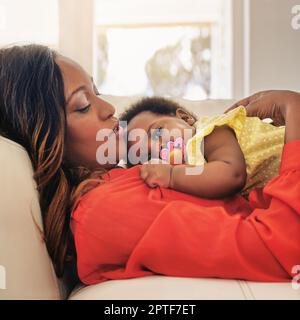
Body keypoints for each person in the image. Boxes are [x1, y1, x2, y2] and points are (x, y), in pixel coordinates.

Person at [0, 45, 299, 286]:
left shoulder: (128, 179)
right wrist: (294, 111)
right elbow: (282, 245)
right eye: (83, 106)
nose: (109, 109)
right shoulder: (102, 212)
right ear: (48, 139)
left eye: (97, 92)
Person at [119, 97, 284, 199]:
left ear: (185, 118)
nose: (158, 147)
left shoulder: (208, 133)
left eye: (157, 132)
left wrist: (171, 175)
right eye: (149, 155)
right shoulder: (193, 172)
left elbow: (232, 175)